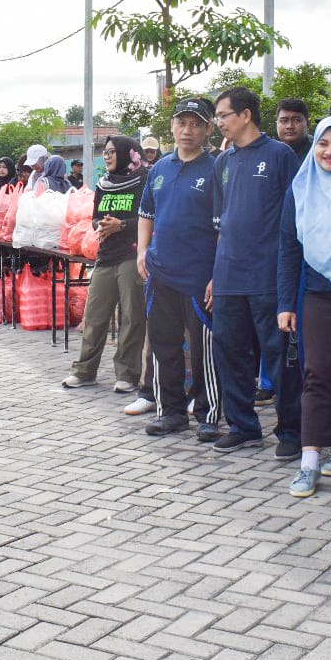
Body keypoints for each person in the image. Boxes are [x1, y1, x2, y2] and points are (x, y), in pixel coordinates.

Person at [209, 86, 300, 456]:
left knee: (279, 357)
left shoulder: (280, 155)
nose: (219, 123)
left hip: (268, 275)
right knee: (231, 354)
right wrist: (215, 274)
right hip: (228, 277)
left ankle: (292, 433)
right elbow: (221, 223)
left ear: (245, 115)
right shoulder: (222, 162)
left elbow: (295, 217)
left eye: (223, 115)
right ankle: (243, 427)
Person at [276, 116, 331, 497]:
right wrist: (285, 304)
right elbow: (288, 249)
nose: (330, 151)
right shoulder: (300, 188)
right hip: (318, 294)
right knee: (317, 374)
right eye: (323, 143)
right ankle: (309, 461)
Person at [138, 98, 220, 441]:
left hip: (200, 276)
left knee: (204, 351)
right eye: (182, 123)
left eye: (196, 124)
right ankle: (170, 413)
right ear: (171, 127)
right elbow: (146, 213)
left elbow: (224, 227)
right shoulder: (159, 168)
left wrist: (217, 274)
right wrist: (142, 251)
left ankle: (208, 415)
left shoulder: (216, 168)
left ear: (208, 128)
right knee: (163, 346)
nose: (188, 131)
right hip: (160, 273)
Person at [62, 137, 147, 392]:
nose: (107, 157)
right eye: (105, 152)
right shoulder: (103, 184)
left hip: (132, 256)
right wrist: (101, 224)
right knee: (94, 317)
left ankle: (127, 375)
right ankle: (84, 371)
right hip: (105, 257)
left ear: (127, 154)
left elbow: (150, 217)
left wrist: (122, 225)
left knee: (131, 318)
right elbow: (95, 217)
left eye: (112, 152)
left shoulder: (144, 180)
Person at [275, 98, 311, 165]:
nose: (290, 126)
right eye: (284, 121)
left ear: (308, 124)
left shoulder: (318, 151)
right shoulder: (270, 152)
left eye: (296, 120)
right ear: (276, 124)